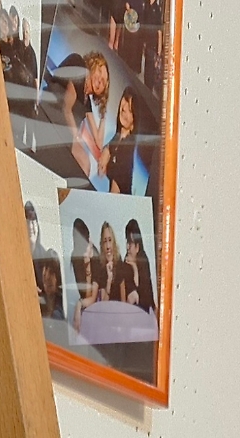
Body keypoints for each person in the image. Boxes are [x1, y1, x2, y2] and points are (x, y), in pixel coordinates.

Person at [72, 52, 112, 187]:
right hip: (62, 129)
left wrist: (103, 117)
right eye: (99, 71)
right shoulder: (78, 73)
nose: (100, 80)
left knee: (85, 166)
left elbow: (99, 143)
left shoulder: (87, 103)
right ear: (92, 65)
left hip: (70, 138)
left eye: (104, 82)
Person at [105, 87, 138, 195]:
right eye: (125, 100)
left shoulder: (126, 150)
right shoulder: (117, 138)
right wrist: (106, 150)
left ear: (134, 124)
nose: (124, 109)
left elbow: (115, 193)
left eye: (130, 110)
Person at [118, 216, 154, 311]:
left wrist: (134, 267)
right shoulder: (126, 262)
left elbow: (143, 294)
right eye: (127, 242)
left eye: (130, 243)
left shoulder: (143, 261)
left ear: (137, 247)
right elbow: (131, 294)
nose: (127, 247)